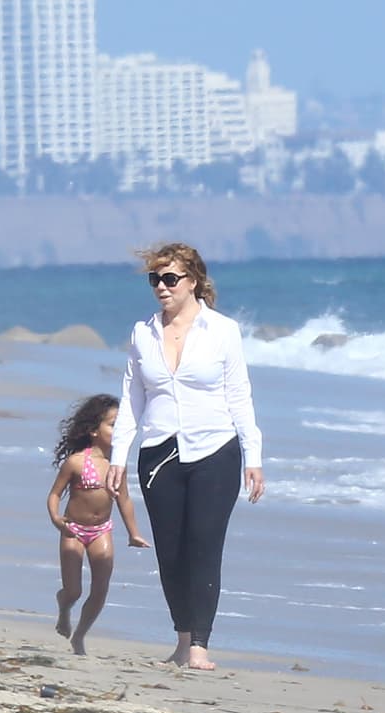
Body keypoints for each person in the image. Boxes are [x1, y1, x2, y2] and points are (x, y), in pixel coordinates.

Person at [106, 242, 264, 671]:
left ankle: (200, 645)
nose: (161, 286)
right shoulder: (143, 333)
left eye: (170, 278)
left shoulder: (223, 330)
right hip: (158, 454)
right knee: (171, 553)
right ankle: (181, 638)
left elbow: (239, 394)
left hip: (216, 450)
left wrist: (254, 455)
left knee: (204, 546)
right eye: (154, 279)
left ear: (193, 280)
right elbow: (132, 398)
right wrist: (118, 457)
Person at [47, 393, 150, 656]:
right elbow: (55, 494)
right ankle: (64, 605)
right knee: (74, 591)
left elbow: (124, 500)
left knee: (100, 589)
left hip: (101, 530)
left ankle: (79, 635)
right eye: (113, 425)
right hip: (73, 530)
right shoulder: (77, 462)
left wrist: (134, 533)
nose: (119, 431)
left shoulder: (117, 465)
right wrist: (57, 519)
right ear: (94, 430)